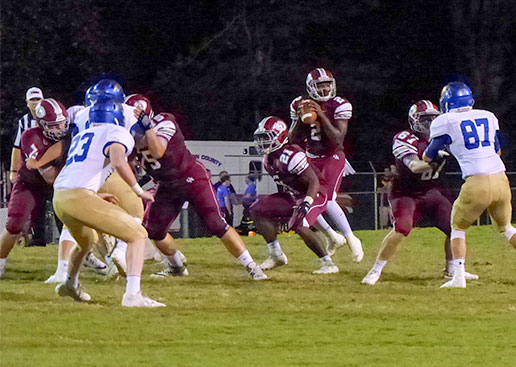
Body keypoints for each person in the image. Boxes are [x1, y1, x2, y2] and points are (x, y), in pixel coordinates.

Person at [423, 82, 516, 288]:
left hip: (477, 181)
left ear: (447, 103)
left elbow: (427, 155)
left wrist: (444, 150)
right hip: (500, 177)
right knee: (506, 227)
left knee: (457, 227)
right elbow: (497, 150)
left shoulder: (445, 121)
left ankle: (458, 276)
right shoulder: (488, 116)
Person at [133, 102, 267, 280]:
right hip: (167, 184)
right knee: (155, 231)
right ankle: (176, 267)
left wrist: (147, 129)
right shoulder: (125, 134)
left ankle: (252, 266)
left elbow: (158, 151)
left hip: (191, 177)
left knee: (216, 223)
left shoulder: (165, 122)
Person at [53, 101, 164, 307]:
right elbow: (118, 161)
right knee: (137, 235)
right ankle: (133, 295)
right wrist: (138, 190)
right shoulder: (117, 132)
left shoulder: (81, 136)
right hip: (79, 196)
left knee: (87, 241)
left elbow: (82, 170)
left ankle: (70, 283)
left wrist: (94, 195)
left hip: (60, 197)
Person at [362, 100, 479, 285]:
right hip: (406, 192)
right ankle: (375, 269)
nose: (430, 124)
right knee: (402, 229)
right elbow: (414, 166)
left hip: (432, 191)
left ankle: (452, 270)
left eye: (434, 119)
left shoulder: (444, 138)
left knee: (455, 227)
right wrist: (431, 160)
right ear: (414, 121)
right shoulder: (405, 138)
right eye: (425, 119)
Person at [289, 68, 363, 262]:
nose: (324, 89)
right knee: (306, 199)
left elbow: (338, 140)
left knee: (328, 197)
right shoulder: (299, 103)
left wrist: (320, 115)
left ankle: (351, 237)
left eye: (326, 85)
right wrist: (299, 119)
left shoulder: (339, 104)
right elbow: (292, 139)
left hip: (332, 156)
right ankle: (332, 236)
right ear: (310, 87)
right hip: (310, 156)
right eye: (319, 86)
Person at [250, 116, 339, 274]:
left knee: (299, 224)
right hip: (294, 193)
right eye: (261, 138)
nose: (262, 142)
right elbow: (286, 184)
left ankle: (329, 264)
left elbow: (313, 182)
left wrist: (306, 203)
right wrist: (282, 209)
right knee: (257, 209)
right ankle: (276, 255)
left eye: (266, 138)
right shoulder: (268, 159)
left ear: (281, 137)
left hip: (316, 192)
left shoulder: (291, 155)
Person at [0, 98, 70, 278]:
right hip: (31, 184)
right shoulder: (31, 136)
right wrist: (63, 151)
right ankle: (0, 260)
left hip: (61, 183)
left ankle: (88, 256)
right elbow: (50, 177)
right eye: (54, 126)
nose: (61, 129)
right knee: (15, 222)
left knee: (75, 218)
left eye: (62, 124)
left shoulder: (70, 132)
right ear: (42, 124)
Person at [9, 87, 49, 247]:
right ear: (27, 103)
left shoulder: (50, 116)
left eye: (38, 99)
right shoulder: (24, 121)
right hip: (32, 169)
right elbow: (17, 147)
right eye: (32, 100)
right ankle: (39, 239)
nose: (35, 103)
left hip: (50, 166)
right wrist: (13, 171)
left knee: (58, 202)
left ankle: (66, 238)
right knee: (37, 205)